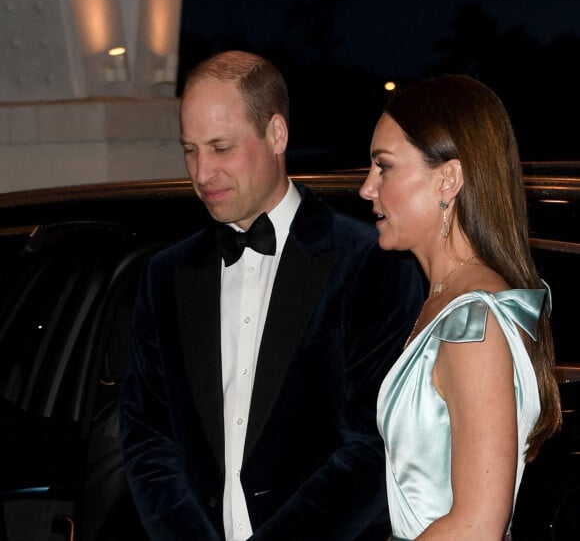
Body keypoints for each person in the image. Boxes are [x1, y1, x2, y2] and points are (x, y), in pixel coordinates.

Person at [119, 50, 424, 540]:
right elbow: (148, 440)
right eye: (190, 150)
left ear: (276, 134)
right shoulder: (164, 275)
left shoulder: (370, 262)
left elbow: (376, 444)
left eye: (221, 148)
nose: (201, 173)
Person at [359, 73, 562, 540]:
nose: (367, 189)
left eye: (383, 167)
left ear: (447, 179)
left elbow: (476, 526)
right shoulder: (449, 304)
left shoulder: (476, 323)